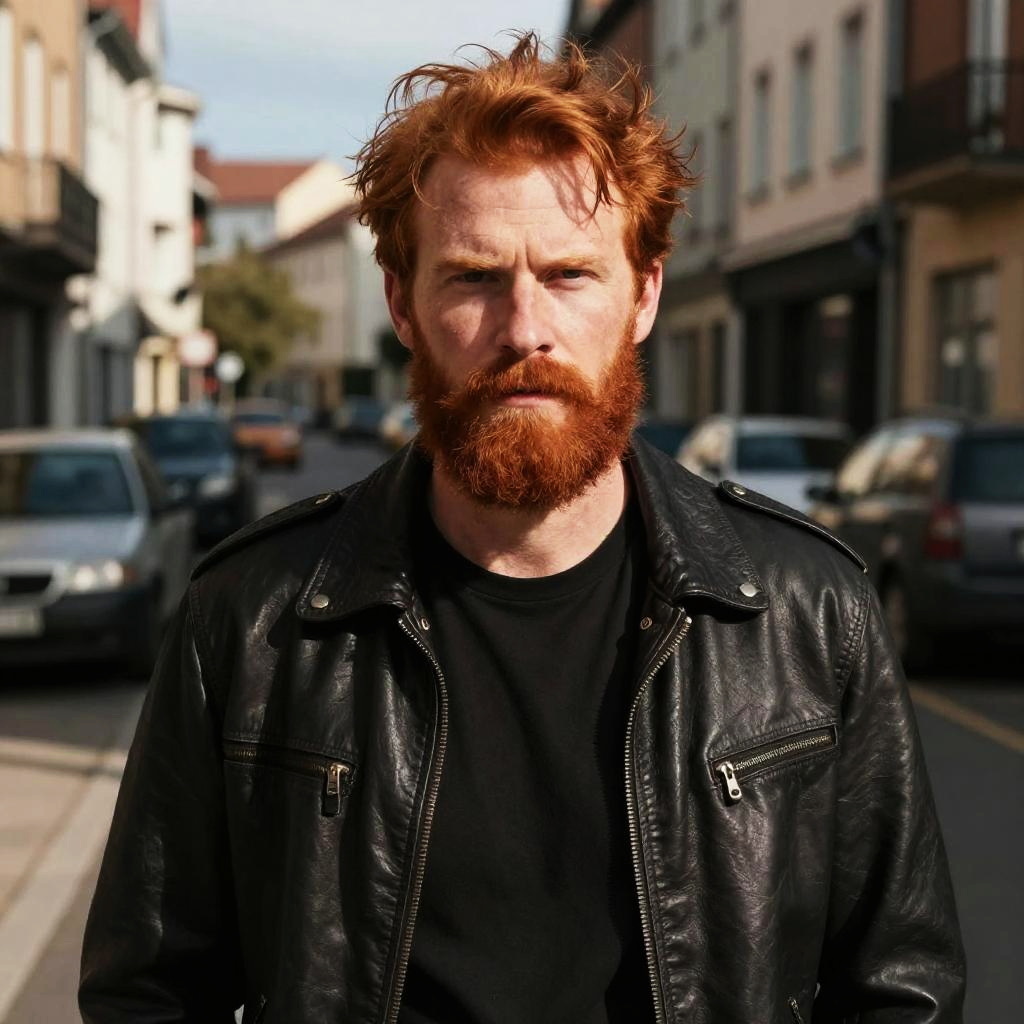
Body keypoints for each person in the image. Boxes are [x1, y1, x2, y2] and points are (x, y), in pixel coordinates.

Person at [80, 33, 965, 1024]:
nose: (524, 329)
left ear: (644, 296)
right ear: (402, 307)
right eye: (471, 277)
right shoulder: (248, 619)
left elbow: (902, 986)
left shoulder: (808, 610)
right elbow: (146, 991)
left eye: (570, 274)